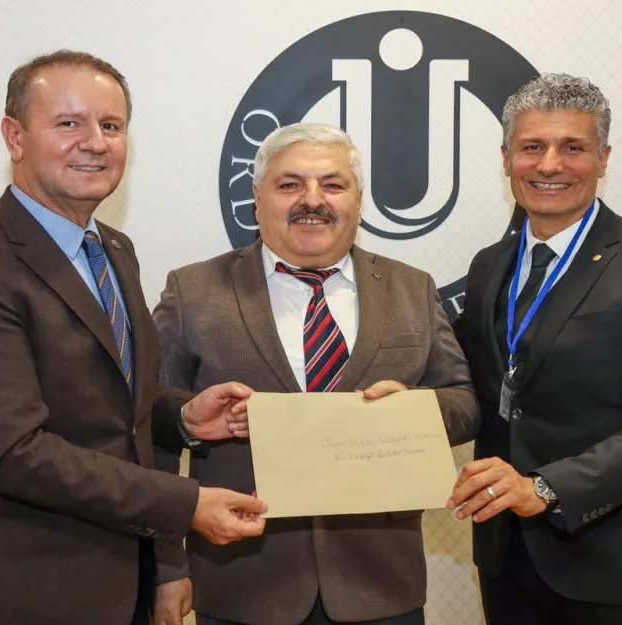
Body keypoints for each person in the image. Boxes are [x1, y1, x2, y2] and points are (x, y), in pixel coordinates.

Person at [0, 50, 267, 625]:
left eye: (111, 125)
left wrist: (180, 417)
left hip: (122, 587)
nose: (95, 143)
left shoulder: (112, 250)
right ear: (15, 136)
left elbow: (115, 408)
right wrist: (186, 504)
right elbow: (14, 454)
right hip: (20, 597)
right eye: (68, 123)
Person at [149, 122, 481, 625]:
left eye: (332, 184)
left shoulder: (412, 288)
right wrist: (166, 567)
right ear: (257, 198)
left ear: (359, 201)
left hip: (382, 588)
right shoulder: (193, 291)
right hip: (241, 588)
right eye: (289, 184)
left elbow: (464, 401)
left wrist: (412, 411)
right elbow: (149, 423)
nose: (312, 200)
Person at [448, 73, 622, 625]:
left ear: (603, 158)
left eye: (573, 148)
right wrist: (401, 398)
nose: (550, 165)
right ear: (506, 158)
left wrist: (544, 488)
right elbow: (471, 383)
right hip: (507, 564)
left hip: (620, 572)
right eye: (532, 147)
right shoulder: (488, 265)